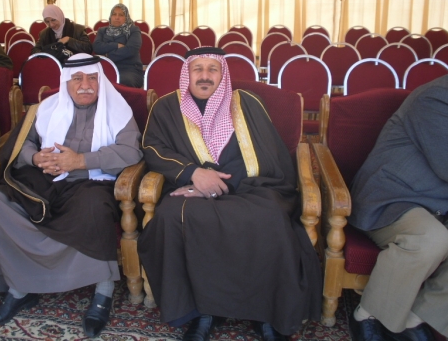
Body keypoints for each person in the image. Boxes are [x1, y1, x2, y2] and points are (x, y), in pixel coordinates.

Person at [137, 47, 322, 341]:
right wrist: (194, 174)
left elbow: (268, 153)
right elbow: (153, 148)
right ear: (187, 73)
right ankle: (200, 312)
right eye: (198, 69)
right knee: (172, 216)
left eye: (213, 69)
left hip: (250, 187)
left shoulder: (246, 102)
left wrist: (221, 184)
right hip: (190, 186)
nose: (205, 76)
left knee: (271, 216)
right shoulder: (167, 106)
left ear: (223, 74)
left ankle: (265, 313)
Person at [0, 53, 142, 337]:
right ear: (66, 82)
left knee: (95, 208)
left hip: (91, 181)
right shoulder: (45, 108)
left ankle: (103, 291)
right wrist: (35, 157)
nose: (85, 85)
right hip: (45, 180)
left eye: (92, 78)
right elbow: (21, 143)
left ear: (100, 80)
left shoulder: (118, 110)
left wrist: (81, 161)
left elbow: (130, 152)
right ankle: (19, 289)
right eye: (77, 79)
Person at [348, 74, 448, 341]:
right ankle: (368, 314)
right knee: (430, 240)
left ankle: (418, 316)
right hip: (394, 198)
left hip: (444, 204)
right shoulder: (437, 98)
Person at [93, 4, 143, 88]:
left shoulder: (133, 30)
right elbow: (96, 47)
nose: (117, 17)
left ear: (126, 17)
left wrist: (106, 56)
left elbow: (130, 50)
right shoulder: (102, 30)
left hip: (129, 69)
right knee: (93, 80)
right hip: (105, 67)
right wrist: (116, 45)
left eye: (121, 15)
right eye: (114, 14)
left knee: (121, 81)